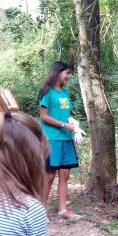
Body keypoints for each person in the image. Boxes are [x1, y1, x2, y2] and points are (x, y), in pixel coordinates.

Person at [39, 61, 84, 220]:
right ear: (58, 73)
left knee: (65, 174)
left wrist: (73, 123)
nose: (69, 76)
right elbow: (44, 116)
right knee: (49, 175)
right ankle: (41, 211)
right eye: (67, 73)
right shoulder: (47, 92)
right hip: (52, 139)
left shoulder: (64, 93)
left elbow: (66, 114)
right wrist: (65, 124)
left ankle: (63, 209)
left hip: (66, 138)